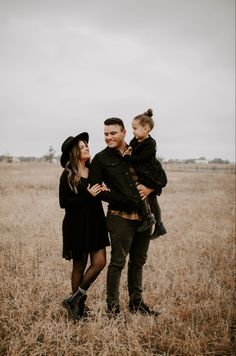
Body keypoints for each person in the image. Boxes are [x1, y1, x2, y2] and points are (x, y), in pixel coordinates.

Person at [89, 118, 160, 316]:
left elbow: (158, 175)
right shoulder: (101, 159)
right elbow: (95, 189)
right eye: (105, 134)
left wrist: (151, 187)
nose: (109, 137)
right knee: (117, 263)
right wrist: (117, 197)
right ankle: (113, 309)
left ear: (124, 133)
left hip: (145, 216)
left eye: (113, 133)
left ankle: (136, 304)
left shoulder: (140, 151)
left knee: (138, 261)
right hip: (119, 217)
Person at [59, 132, 110, 321]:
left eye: (86, 145)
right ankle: (78, 307)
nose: (86, 147)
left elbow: (99, 193)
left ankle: (73, 299)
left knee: (99, 262)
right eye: (81, 147)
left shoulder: (94, 170)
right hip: (76, 224)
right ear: (74, 153)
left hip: (96, 221)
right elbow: (64, 203)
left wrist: (104, 191)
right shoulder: (68, 174)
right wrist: (88, 195)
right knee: (79, 265)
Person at [123, 108, 167, 239]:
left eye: (135, 128)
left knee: (144, 193)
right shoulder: (137, 140)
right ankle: (159, 225)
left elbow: (141, 159)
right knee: (150, 198)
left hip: (151, 174)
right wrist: (129, 148)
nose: (133, 131)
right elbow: (131, 144)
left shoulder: (150, 144)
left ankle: (149, 218)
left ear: (146, 129)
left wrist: (128, 158)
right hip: (144, 173)